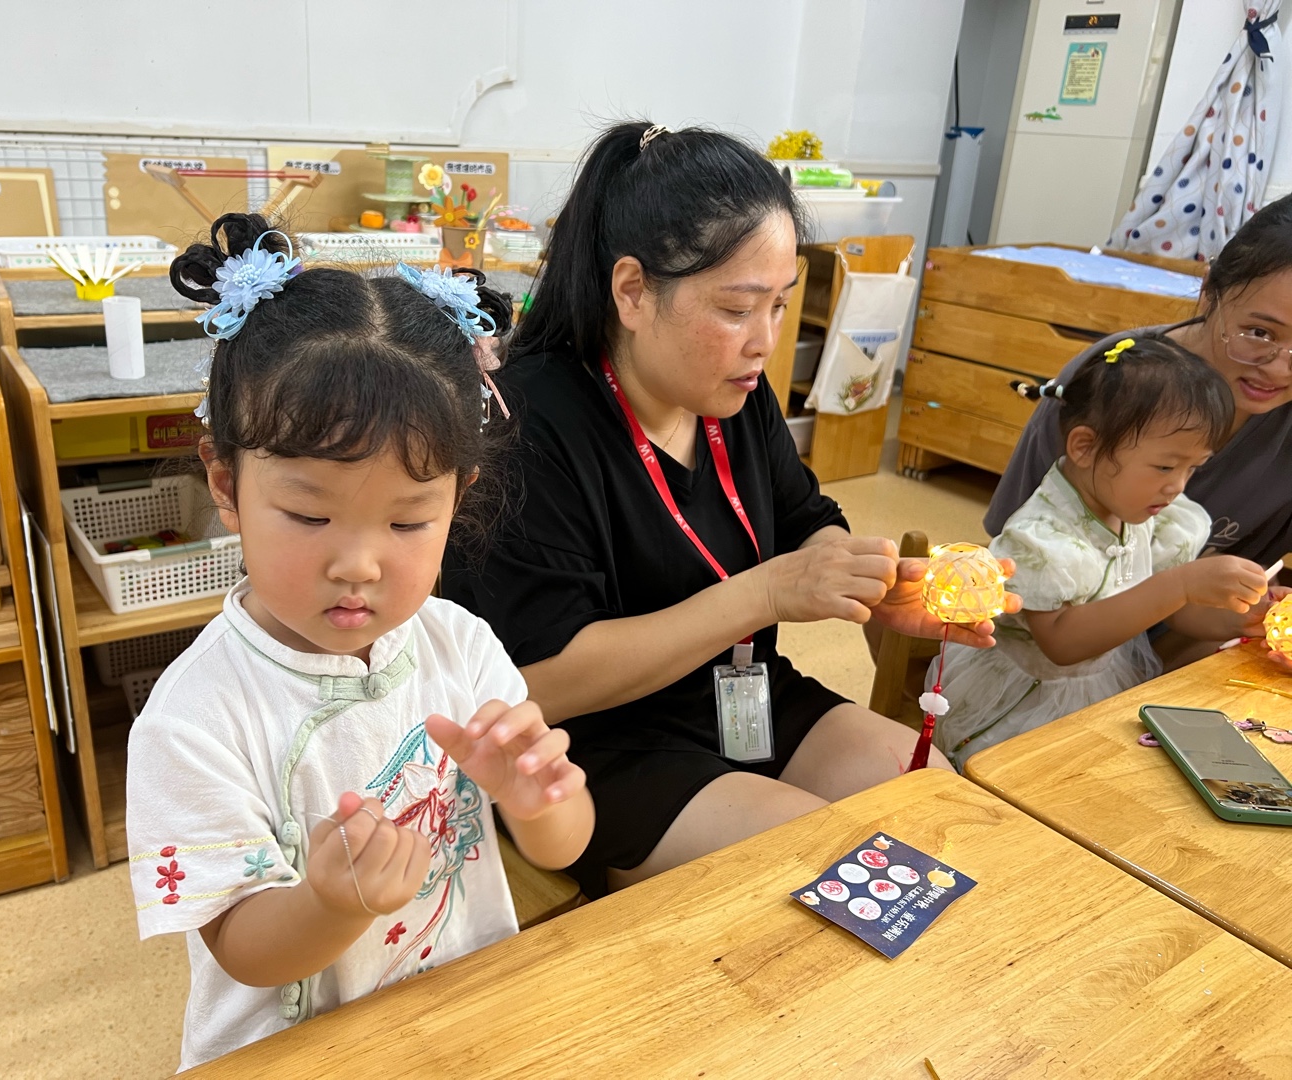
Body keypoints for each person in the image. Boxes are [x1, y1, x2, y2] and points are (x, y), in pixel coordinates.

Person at [442, 122, 1015, 900]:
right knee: (822, 869)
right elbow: (538, 682)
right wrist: (766, 592)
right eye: (739, 308)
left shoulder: (732, 393)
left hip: (739, 693)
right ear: (632, 291)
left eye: (779, 306)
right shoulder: (529, 423)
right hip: (590, 748)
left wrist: (880, 587)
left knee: (929, 802)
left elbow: (806, 518)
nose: (765, 342)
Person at [125, 214, 593, 1070]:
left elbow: (566, 843)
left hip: (455, 1028)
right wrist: (332, 904)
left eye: (409, 522)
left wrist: (540, 802)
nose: (358, 565)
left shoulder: (460, 645)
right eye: (308, 515)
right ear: (225, 484)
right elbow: (241, 948)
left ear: (458, 498)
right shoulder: (194, 717)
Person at [934, 337, 1279, 769]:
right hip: (1025, 704)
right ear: (1084, 447)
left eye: (1193, 468)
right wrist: (1179, 584)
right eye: (1165, 466)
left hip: (1102, 686)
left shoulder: (1142, 509)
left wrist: (1244, 615)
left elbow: (1179, 613)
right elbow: (1062, 644)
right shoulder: (1041, 537)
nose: (1177, 485)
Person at [988, 194, 1292, 622]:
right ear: (1209, 293)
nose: (1278, 369)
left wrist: (1256, 613)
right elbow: (1021, 584)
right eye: (1259, 332)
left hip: (1197, 632)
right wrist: (1180, 590)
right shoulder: (1118, 379)